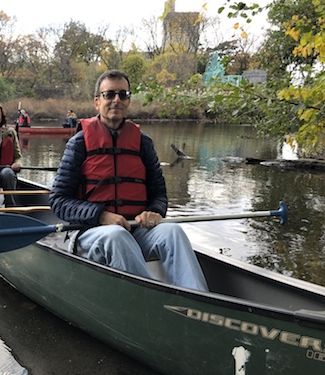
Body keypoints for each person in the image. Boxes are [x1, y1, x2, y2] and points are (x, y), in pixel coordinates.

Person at [49, 70, 208, 292]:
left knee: (173, 231)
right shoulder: (79, 144)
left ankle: (197, 303)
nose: (116, 100)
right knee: (116, 235)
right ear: (97, 102)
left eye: (123, 95)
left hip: (135, 229)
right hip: (91, 233)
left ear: (129, 101)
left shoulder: (143, 143)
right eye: (109, 94)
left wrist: (154, 210)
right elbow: (58, 201)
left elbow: (159, 195)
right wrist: (101, 215)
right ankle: (151, 304)